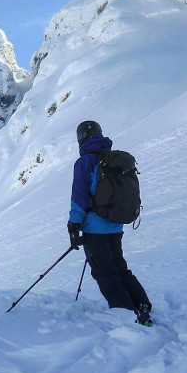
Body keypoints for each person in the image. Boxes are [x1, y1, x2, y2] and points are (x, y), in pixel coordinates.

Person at [67, 121, 152, 326]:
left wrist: (73, 225)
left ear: (81, 138)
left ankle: (126, 311)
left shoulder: (85, 162)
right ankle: (141, 304)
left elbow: (79, 197)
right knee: (119, 267)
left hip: (95, 228)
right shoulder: (110, 159)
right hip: (115, 225)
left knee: (104, 271)